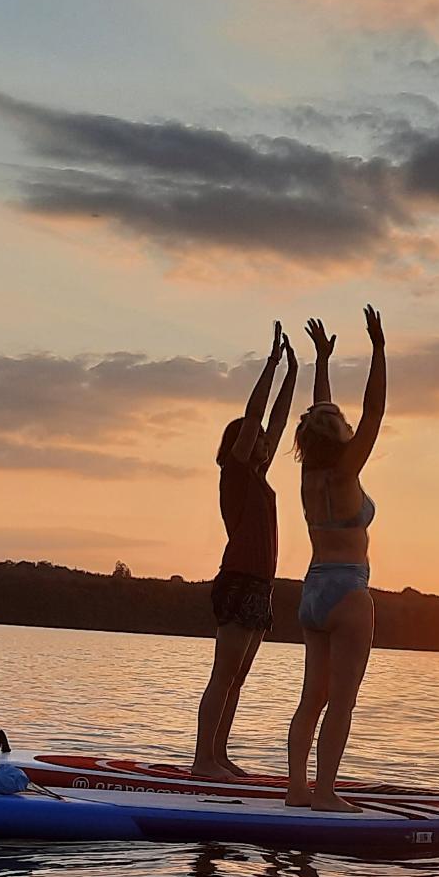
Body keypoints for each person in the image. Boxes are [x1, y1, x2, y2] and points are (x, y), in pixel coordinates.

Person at [286, 305, 386, 812]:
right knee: (341, 700)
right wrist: (379, 350)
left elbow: (321, 411)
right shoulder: (346, 471)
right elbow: (373, 413)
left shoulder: (309, 474)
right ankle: (325, 794)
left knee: (312, 699)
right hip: (348, 592)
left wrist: (322, 359)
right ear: (339, 435)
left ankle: (297, 789)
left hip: (312, 590)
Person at [194, 323, 298, 780]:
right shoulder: (234, 472)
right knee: (224, 674)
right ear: (239, 443)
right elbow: (256, 415)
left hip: (261, 587)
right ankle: (203, 761)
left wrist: (295, 372)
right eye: (254, 440)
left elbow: (274, 422)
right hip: (237, 582)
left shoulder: (258, 475)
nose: (263, 442)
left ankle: (219, 755)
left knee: (238, 678)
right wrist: (271, 365)